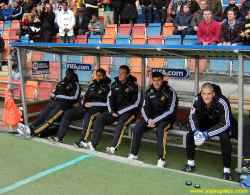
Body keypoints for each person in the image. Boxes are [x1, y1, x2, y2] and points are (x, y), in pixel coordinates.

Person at [182, 83, 238, 180]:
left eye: (209, 94)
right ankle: (190, 164)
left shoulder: (222, 102)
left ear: (214, 94)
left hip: (224, 125)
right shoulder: (197, 100)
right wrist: (197, 131)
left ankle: (227, 171)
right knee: (190, 132)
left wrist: (206, 134)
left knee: (224, 137)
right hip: (207, 123)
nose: (206, 97)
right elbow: (193, 117)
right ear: (201, 93)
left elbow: (225, 124)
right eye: (204, 94)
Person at [80, 65, 141, 151]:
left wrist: (119, 112)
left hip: (129, 112)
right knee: (100, 118)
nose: (120, 75)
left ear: (127, 75)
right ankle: (93, 144)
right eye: (119, 73)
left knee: (121, 121)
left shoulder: (134, 86)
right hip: (115, 111)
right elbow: (110, 99)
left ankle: (113, 147)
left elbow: (135, 103)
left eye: (122, 74)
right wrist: (112, 111)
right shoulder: (115, 84)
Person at [128, 72, 178, 168]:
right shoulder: (149, 91)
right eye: (154, 80)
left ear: (162, 80)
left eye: (158, 80)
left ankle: (161, 159)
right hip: (151, 119)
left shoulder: (170, 92)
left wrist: (156, 121)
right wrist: (148, 120)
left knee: (160, 130)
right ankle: (134, 154)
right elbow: (144, 108)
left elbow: (171, 111)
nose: (156, 83)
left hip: (166, 119)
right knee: (138, 127)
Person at [48, 69, 111, 143]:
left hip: (99, 108)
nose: (98, 77)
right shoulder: (92, 85)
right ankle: (59, 138)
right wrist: (84, 102)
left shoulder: (108, 86)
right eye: (97, 75)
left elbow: (107, 103)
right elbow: (85, 97)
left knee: (88, 115)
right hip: (87, 107)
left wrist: (92, 104)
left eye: (100, 75)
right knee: (68, 113)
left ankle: (82, 141)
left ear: (104, 76)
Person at [17, 69, 81, 139]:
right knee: (41, 117)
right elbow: (53, 94)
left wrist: (58, 97)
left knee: (49, 120)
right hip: (52, 103)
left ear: (73, 74)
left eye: (70, 74)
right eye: (67, 73)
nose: (68, 75)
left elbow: (74, 98)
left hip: (63, 106)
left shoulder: (75, 85)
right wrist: (54, 97)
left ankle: (32, 132)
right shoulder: (61, 83)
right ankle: (29, 128)